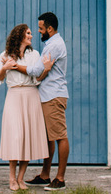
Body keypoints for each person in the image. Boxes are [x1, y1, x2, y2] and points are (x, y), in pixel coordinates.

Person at [0, 23, 49, 190]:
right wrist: (5, 67)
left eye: (31, 33)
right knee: (16, 137)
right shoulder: (5, 55)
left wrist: (46, 69)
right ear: (19, 35)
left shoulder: (35, 55)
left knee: (27, 137)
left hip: (31, 95)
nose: (31, 36)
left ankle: (20, 179)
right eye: (28, 33)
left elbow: (37, 77)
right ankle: (11, 178)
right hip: (14, 95)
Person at [25, 11, 68, 190]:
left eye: (41, 28)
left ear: (50, 28)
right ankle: (44, 175)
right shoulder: (50, 44)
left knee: (60, 136)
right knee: (49, 138)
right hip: (47, 96)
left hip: (53, 96)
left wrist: (15, 66)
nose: (38, 31)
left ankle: (60, 178)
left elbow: (36, 70)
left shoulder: (54, 46)